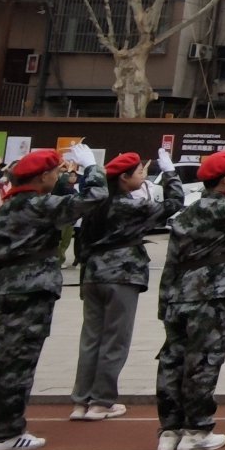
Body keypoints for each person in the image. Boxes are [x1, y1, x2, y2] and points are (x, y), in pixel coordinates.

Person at [0, 146, 108, 450]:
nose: (57, 176)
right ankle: (8, 432)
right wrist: (92, 168)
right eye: (56, 172)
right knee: (19, 363)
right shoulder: (41, 205)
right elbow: (96, 196)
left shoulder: (4, 209)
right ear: (43, 176)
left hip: (4, 291)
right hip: (31, 292)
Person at [155, 149, 225, 450]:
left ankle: (170, 429)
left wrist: (164, 304)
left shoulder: (187, 214)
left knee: (172, 363)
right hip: (213, 295)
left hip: (178, 296)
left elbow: (171, 262)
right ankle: (197, 430)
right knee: (203, 362)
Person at [71, 149, 181, 421]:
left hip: (93, 274)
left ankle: (80, 401)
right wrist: (170, 173)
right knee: (115, 340)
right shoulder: (132, 206)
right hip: (122, 275)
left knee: (91, 339)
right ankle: (101, 402)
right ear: (124, 178)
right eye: (140, 173)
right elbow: (173, 204)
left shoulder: (95, 204)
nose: (143, 178)